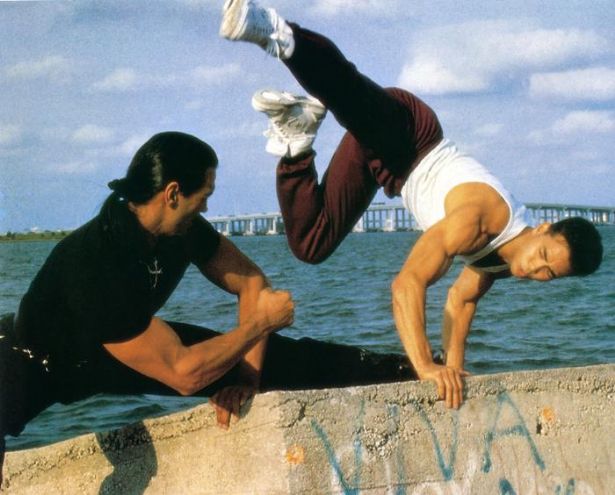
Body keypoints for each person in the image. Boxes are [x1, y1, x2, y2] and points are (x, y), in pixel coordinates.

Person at [219, 0, 604, 410]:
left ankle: (297, 140)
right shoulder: (480, 221)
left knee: (310, 244)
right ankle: (279, 33)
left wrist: (453, 370)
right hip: (411, 135)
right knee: (348, 95)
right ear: (542, 229)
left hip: (390, 172)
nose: (533, 270)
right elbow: (407, 283)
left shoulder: (504, 260)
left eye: (548, 274)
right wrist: (425, 366)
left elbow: (462, 300)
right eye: (542, 256)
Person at [0, 131, 416, 487]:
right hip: (32, 360)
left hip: (116, 347)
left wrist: (248, 379)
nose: (206, 209)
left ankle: (406, 370)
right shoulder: (94, 264)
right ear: (172, 194)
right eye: (204, 197)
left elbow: (250, 283)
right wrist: (259, 326)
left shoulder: (182, 229)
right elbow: (185, 374)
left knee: (276, 360)